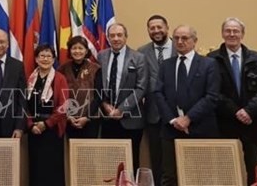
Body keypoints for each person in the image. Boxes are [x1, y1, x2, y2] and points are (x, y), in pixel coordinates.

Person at [207, 18, 257, 185]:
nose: (232, 34)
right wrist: (235, 111)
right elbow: (212, 91)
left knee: (254, 169)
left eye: (236, 31)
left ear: (242, 34)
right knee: (225, 169)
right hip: (225, 124)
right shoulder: (211, 59)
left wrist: (249, 111)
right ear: (222, 33)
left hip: (253, 123)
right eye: (228, 30)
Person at [153, 25, 220, 186]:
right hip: (171, 130)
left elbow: (212, 96)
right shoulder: (166, 64)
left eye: (184, 38)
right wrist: (173, 120)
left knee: (199, 176)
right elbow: (158, 93)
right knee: (170, 176)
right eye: (176, 38)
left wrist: (188, 118)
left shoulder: (209, 64)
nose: (180, 42)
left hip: (200, 129)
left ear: (194, 41)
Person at [98, 22, 147, 173]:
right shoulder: (101, 56)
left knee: (131, 161)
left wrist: (121, 109)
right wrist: (105, 106)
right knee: (110, 162)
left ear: (126, 37)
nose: (116, 38)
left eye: (119, 35)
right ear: (107, 38)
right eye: (112, 35)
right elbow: (98, 85)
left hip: (131, 119)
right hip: (107, 118)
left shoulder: (138, 57)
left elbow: (141, 88)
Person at [137, 14, 176, 186]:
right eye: (152, 28)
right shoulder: (141, 52)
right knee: (157, 158)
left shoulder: (180, 46)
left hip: (177, 114)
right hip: (153, 114)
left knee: (176, 158)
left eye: (159, 27)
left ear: (167, 27)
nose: (156, 31)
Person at [26, 45, 68, 186]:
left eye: (48, 56)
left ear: (54, 59)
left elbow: (63, 107)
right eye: (42, 56)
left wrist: (46, 124)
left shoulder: (60, 78)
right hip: (34, 130)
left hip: (52, 130)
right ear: (36, 59)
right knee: (36, 168)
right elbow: (23, 105)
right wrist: (31, 125)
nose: (45, 59)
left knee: (52, 169)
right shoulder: (30, 78)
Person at [57, 36, 102, 138]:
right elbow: (59, 96)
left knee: (88, 152)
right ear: (70, 51)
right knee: (72, 150)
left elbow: (99, 96)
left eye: (81, 48)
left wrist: (86, 117)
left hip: (91, 119)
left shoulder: (96, 69)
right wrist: (68, 116)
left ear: (86, 51)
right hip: (69, 119)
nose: (77, 51)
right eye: (74, 48)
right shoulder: (62, 69)